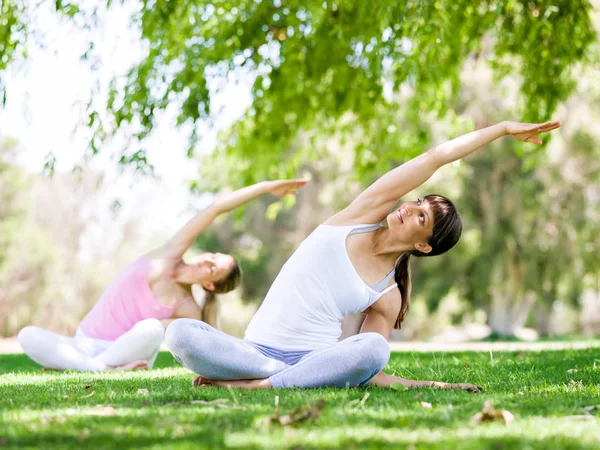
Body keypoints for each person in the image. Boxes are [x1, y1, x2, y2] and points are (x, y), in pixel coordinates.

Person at [165, 120, 560, 390]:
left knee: (376, 347)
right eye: (417, 201)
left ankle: (264, 386)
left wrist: (431, 385)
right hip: (254, 353)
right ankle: (279, 377)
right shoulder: (360, 215)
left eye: (419, 216)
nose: (408, 207)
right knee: (181, 334)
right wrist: (503, 129)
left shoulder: (389, 293)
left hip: (312, 360)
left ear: (423, 245)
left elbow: (366, 366)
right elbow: (435, 158)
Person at [17, 179, 307, 372]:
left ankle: (87, 366)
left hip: (126, 353)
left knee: (154, 329)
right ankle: (96, 369)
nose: (209, 259)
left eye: (214, 267)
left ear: (209, 283)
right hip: (83, 342)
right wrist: (268, 187)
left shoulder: (188, 309)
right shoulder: (167, 255)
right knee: (27, 335)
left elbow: (216, 349)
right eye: (215, 256)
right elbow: (216, 208)